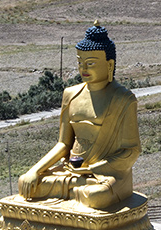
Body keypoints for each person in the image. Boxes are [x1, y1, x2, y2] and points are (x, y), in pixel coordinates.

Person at [17, 25, 140, 212]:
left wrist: (93, 169)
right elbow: (63, 144)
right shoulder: (71, 94)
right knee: (27, 185)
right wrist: (34, 170)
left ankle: (77, 200)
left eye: (90, 63)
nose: (83, 68)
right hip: (71, 171)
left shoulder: (123, 99)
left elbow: (131, 151)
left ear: (109, 65)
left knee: (96, 196)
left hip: (104, 176)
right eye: (80, 62)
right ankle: (73, 199)